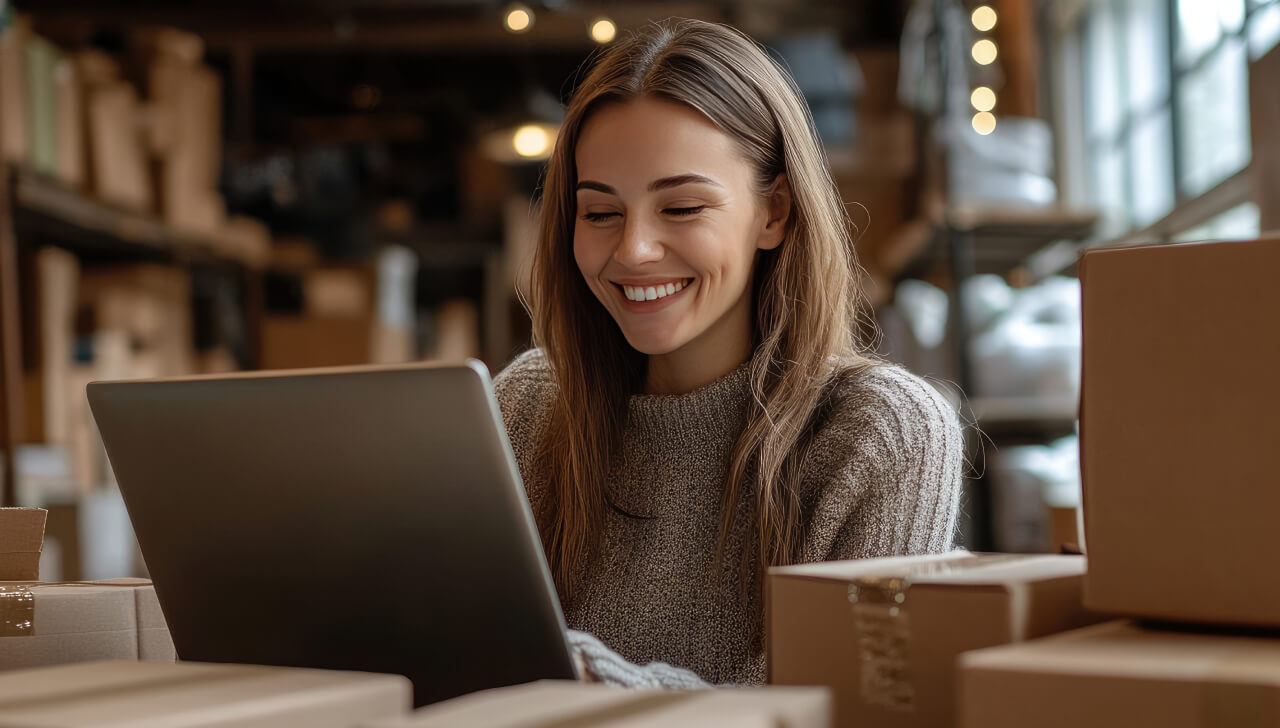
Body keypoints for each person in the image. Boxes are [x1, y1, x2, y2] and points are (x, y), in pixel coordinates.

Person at [494, 18, 963, 688]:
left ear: (774, 212)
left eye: (681, 207)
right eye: (600, 214)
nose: (632, 251)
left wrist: (580, 677)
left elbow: (840, 708)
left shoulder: (883, 431)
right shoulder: (529, 402)